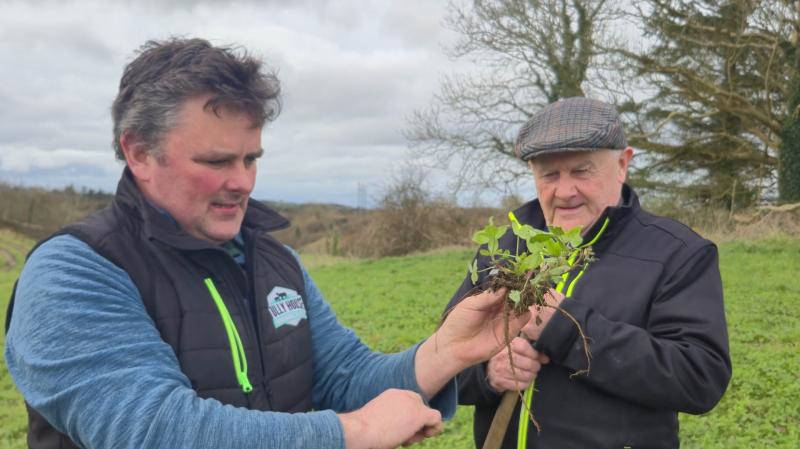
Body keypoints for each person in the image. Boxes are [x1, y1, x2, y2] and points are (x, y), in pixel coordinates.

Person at [4, 37, 531, 449]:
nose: (243, 182)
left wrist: (448, 352)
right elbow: (152, 431)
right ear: (139, 152)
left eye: (251, 158)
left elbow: (347, 379)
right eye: (216, 161)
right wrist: (355, 432)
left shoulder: (275, 261)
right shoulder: (75, 271)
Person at [445, 97, 732, 449]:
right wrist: (489, 373)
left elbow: (700, 378)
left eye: (582, 171)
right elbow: (444, 358)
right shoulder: (505, 248)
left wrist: (564, 327)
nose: (564, 191)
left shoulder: (678, 254)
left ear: (623, 164)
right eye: (549, 174)